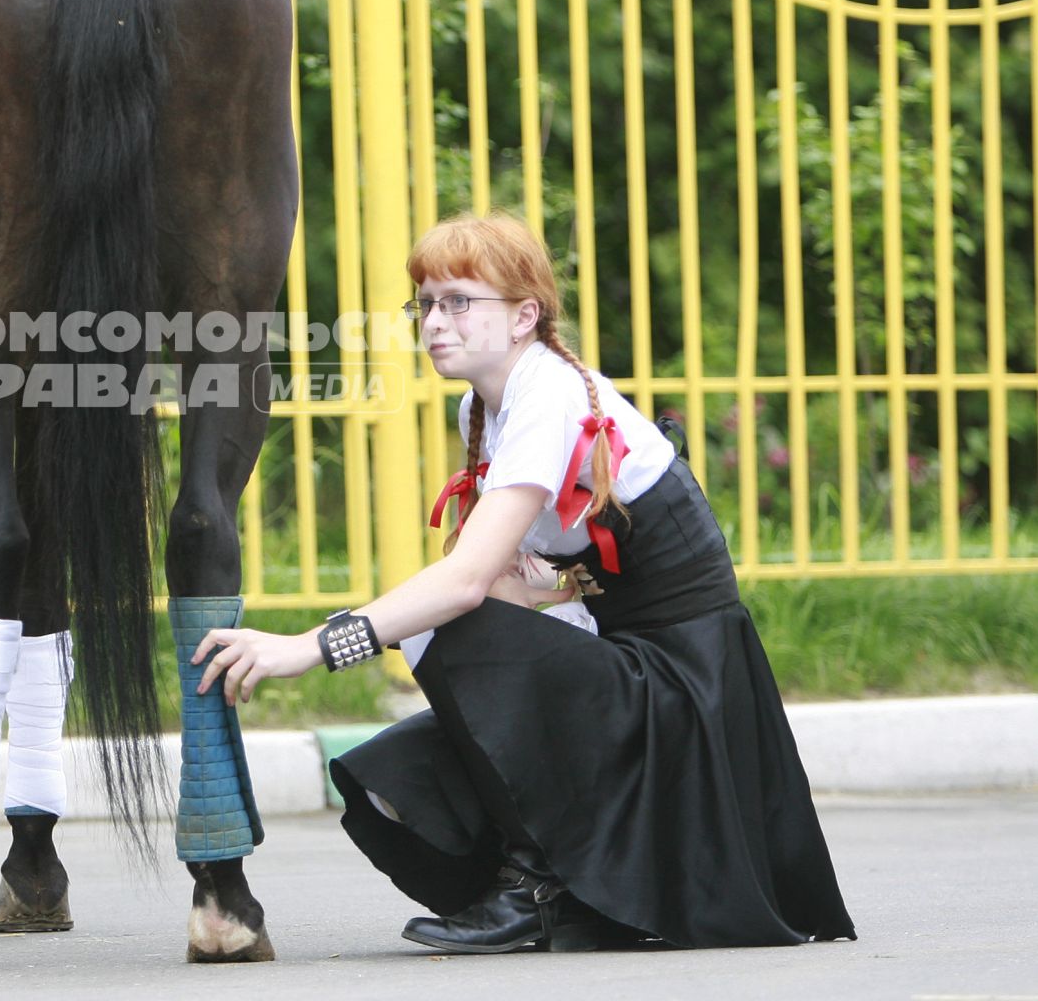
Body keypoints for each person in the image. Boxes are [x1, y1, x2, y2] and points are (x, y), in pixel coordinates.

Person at [194, 211, 854, 954]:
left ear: (524, 316)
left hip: (682, 691)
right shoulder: (482, 403)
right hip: (620, 665)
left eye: (458, 301)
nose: (434, 322)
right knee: (394, 779)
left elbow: (467, 585)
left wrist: (311, 645)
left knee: (454, 624)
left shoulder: (547, 395)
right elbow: (508, 580)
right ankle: (569, 890)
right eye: (425, 303)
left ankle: (538, 886)